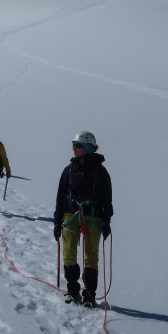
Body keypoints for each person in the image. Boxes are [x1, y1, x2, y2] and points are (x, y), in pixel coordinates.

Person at [53, 131, 113, 308]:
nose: (74, 149)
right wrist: (57, 221)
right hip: (70, 215)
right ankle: (72, 290)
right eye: (73, 145)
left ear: (88, 148)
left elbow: (107, 199)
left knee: (91, 257)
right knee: (69, 253)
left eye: (77, 146)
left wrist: (107, 221)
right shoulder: (69, 170)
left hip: (93, 217)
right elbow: (60, 196)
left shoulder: (100, 172)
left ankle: (89, 295)